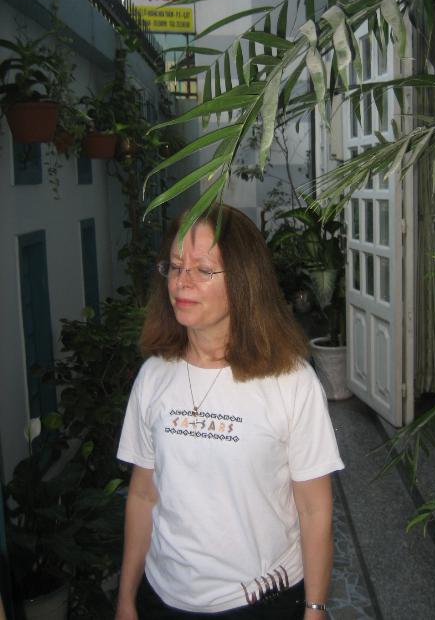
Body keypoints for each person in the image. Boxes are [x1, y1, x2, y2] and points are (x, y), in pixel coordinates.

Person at [115, 204, 344, 620]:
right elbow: (143, 494)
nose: (181, 282)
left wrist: (314, 609)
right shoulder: (154, 376)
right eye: (175, 267)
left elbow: (315, 510)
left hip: (259, 602)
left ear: (243, 281)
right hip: (162, 598)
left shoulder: (290, 381)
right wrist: (126, 597)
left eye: (203, 270)